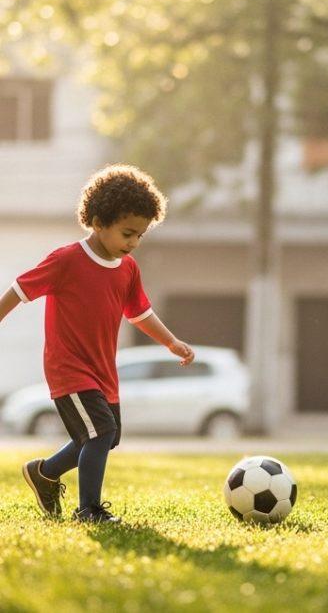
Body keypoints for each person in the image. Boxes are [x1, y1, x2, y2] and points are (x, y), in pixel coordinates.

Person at [0, 164, 195, 523]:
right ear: (99, 221)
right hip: (69, 368)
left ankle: (44, 473)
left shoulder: (127, 268)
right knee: (101, 431)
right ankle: (88, 509)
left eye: (140, 235)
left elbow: (139, 313)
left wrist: (171, 342)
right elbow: (18, 290)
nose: (133, 243)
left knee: (107, 435)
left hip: (103, 369)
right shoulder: (66, 261)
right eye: (128, 233)